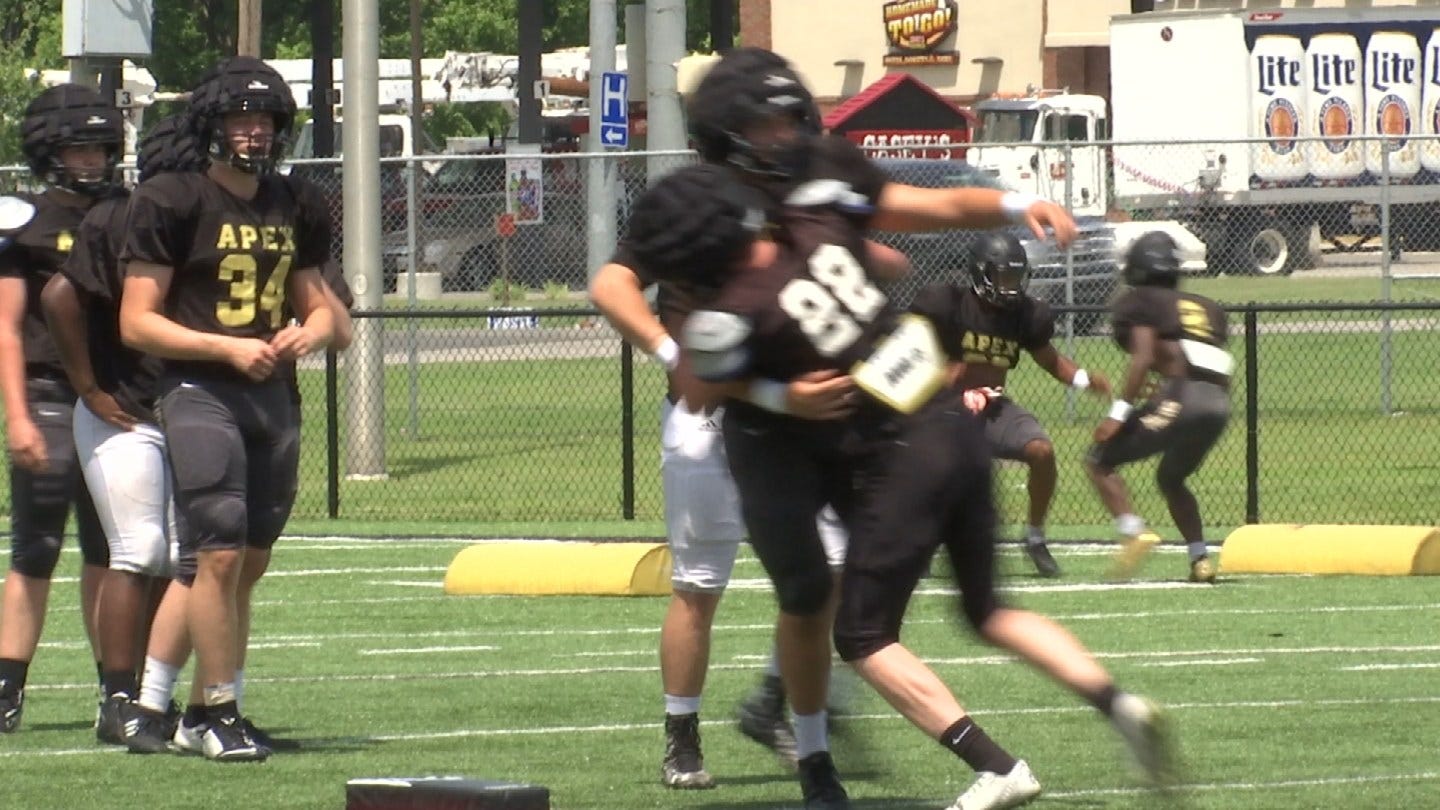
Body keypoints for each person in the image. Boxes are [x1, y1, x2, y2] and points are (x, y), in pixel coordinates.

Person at [628, 161, 1178, 810]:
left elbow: (695, 391)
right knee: (985, 610)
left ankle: (984, 764)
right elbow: (889, 258)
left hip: (899, 456)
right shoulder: (818, 232)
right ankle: (1117, 702)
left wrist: (768, 385)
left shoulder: (741, 306)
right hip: (957, 428)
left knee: (856, 631)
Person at [590, 47, 890, 792]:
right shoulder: (695, 197)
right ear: (729, 128)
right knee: (700, 583)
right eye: (767, 119)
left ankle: (771, 702)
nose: (785, 132)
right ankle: (682, 734)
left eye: (790, 117)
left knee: (837, 571)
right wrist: (669, 351)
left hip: (795, 417)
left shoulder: (805, 196)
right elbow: (612, 281)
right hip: (715, 413)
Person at [119, 56, 336, 761]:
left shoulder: (296, 201)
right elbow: (137, 321)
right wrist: (225, 349)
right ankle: (215, 708)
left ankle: (205, 708)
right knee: (214, 554)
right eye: (242, 118)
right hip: (200, 390)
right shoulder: (172, 200)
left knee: (248, 561)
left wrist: (312, 331)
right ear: (212, 125)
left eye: (266, 119)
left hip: (271, 394)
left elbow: (321, 309)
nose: (255, 131)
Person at [0, 84, 121, 733]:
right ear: (51, 151)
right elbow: (6, 328)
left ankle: (116, 690)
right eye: (79, 146)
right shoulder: (26, 221)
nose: (92, 159)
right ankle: (7, 687)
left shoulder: (128, 213)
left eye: (100, 145)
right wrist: (17, 416)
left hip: (118, 402)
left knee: (113, 553)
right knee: (36, 550)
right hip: (50, 394)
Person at [942, 233, 1111, 577]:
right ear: (980, 273)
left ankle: (1034, 537)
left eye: (1015, 277)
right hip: (945, 410)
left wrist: (1082, 379)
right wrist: (952, 391)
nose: (1010, 287)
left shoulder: (1023, 314)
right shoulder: (951, 308)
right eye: (1002, 277)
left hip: (994, 408)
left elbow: (1050, 359)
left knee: (1041, 451)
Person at [1084, 231, 1232, 584]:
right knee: (1171, 478)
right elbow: (1204, 361)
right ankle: (1200, 559)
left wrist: (1117, 414)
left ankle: (1134, 531)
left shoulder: (1139, 302)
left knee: (1099, 460)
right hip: (1218, 403)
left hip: (1181, 398)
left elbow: (1144, 357)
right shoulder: (1209, 308)